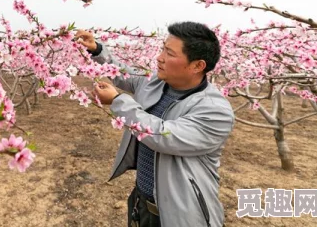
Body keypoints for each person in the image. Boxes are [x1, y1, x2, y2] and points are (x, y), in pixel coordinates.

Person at [75, 22, 235, 227]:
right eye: (162, 48)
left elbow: (163, 136)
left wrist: (117, 101)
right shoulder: (157, 82)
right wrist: (97, 50)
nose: (159, 57)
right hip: (142, 203)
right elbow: (125, 75)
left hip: (182, 216)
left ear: (197, 65)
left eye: (169, 52)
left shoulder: (215, 111)